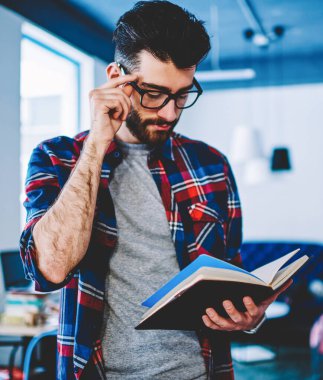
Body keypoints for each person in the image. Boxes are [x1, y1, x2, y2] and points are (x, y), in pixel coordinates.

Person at [20, 1, 291, 379]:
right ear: (117, 78)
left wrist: (247, 315)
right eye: (153, 93)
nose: (170, 112)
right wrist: (97, 144)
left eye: (182, 94)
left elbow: (230, 274)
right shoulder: (58, 157)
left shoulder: (211, 165)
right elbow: (50, 268)